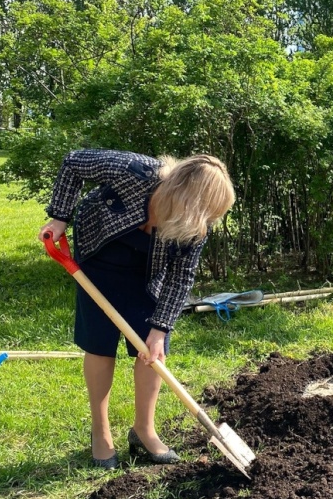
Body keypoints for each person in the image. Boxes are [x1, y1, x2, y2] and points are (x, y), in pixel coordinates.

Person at [39, 149, 236, 469]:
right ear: (182, 197)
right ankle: (100, 433)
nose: (205, 224)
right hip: (99, 259)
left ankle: (144, 430)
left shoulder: (197, 224)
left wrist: (160, 330)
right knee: (100, 345)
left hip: (148, 273)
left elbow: (181, 277)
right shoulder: (134, 171)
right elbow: (74, 162)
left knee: (152, 349)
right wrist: (60, 217)